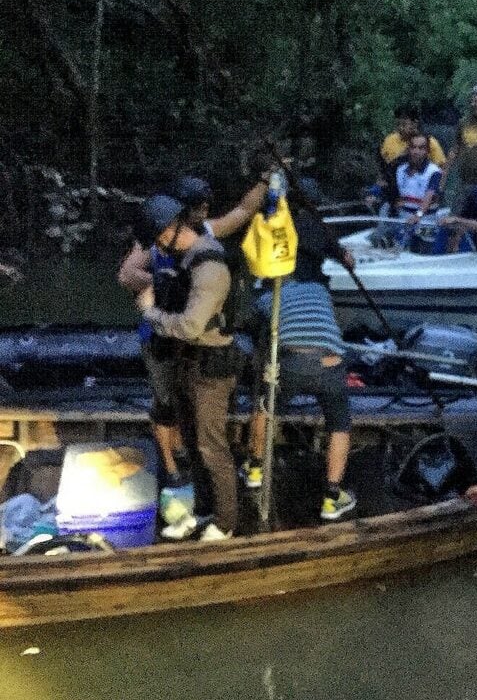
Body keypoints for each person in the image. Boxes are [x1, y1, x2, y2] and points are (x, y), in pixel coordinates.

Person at [118, 177, 265, 484]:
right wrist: (161, 285)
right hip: (160, 331)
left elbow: (243, 210)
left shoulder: (205, 235)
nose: (203, 213)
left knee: (189, 401)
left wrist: (266, 179)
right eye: (198, 208)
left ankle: (191, 460)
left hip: (190, 336)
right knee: (165, 404)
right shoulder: (156, 236)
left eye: (205, 208)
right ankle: (171, 468)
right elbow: (127, 274)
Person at [134, 195, 243, 541]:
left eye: (157, 239)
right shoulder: (190, 258)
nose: (159, 246)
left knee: (212, 446)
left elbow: (192, 326)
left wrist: (150, 312)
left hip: (211, 368)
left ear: (168, 232)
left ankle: (225, 523)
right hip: (189, 362)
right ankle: (203, 512)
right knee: (194, 445)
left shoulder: (209, 266)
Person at [245, 207, 356, 521]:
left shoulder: (270, 298)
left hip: (292, 362)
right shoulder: (320, 290)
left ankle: (254, 469)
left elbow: (258, 334)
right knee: (340, 424)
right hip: (331, 362)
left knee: (264, 407)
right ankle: (333, 497)